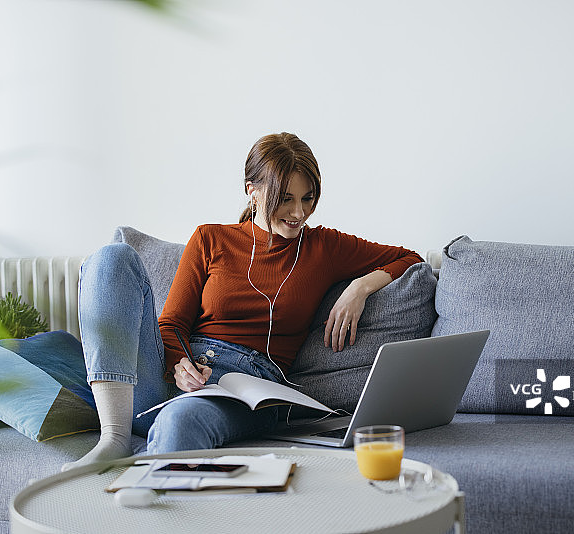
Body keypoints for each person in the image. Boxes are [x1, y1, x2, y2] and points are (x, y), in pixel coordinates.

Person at [62, 132, 423, 471]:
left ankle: (154, 483)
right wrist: (179, 364)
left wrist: (359, 287)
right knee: (112, 258)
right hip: (169, 381)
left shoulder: (323, 247)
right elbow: (171, 323)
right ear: (253, 191)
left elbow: (409, 258)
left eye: (308, 198)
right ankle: (114, 438)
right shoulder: (210, 239)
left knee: (180, 421)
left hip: (248, 393)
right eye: (286, 198)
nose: (299, 213)